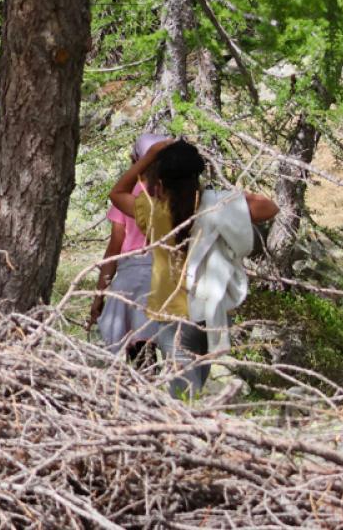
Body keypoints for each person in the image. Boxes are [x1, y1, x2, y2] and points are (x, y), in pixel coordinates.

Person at [109, 138, 278, 395]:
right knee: (194, 384)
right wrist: (229, 199)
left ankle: (182, 432)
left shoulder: (154, 211)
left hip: (172, 312)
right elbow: (270, 207)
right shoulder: (215, 206)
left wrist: (149, 156)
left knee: (184, 391)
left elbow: (117, 194)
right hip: (210, 310)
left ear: (160, 182)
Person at [89, 133, 168, 359]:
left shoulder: (129, 196)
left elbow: (114, 248)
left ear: (136, 161)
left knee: (133, 347)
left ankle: (134, 389)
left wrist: (99, 297)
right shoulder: (171, 195)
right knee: (149, 343)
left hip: (130, 277)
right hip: (162, 276)